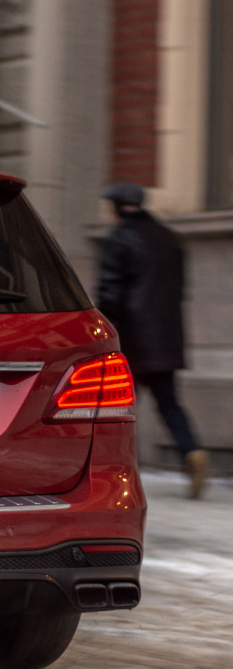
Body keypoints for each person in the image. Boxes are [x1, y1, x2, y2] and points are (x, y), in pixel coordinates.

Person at [97, 182, 209, 498]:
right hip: (165, 339)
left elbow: (109, 293)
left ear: (118, 207)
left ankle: (112, 472)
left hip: (131, 340)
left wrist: (103, 332)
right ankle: (192, 452)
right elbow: (180, 289)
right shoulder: (169, 238)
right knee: (169, 403)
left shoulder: (119, 239)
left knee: (115, 409)